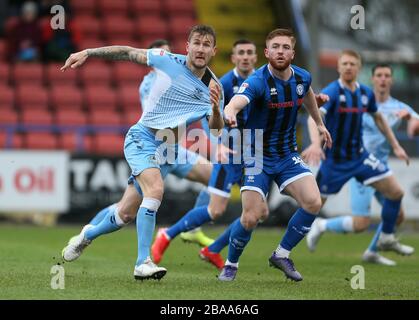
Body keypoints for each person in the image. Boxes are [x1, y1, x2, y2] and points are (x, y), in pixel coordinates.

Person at [60, 25, 224, 281]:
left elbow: (215, 131)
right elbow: (127, 52)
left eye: (206, 44)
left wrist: (215, 109)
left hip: (171, 150)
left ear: (214, 50)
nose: (201, 49)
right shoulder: (166, 60)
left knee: (125, 214)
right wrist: (89, 52)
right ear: (187, 46)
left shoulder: (214, 88)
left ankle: (87, 234)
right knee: (155, 191)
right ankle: (142, 262)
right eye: (197, 43)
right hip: (143, 139)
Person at [218, 28, 332, 282]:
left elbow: (307, 95)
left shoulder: (303, 77)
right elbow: (237, 101)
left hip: (286, 154)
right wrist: (230, 112)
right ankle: (231, 264)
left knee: (313, 202)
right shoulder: (257, 81)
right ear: (267, 52)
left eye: (286, 47)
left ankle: (281, 254)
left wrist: (319, 123)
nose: (281, 51)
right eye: (275, 47)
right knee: (251, 216)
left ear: (293, 52)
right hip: (256, 154)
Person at [151, 39, 258, 269]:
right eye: (241, 53)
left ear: (257, 57)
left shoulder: (263, 81)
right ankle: (168, 234)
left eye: (250, 52)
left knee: (257, 212)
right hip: (228, 154)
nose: (246, 57)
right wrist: (217, 143)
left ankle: (213, 248)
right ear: (233, 58)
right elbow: (206, 114)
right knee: (216, 210)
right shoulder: (224, 83)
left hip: (254, 155)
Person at [303, 51, 411, 262]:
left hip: (362, 159)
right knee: (314, 206)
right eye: (345, 63)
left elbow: (380, 118)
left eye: (353, 63)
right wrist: (316, 144)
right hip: (335, 162)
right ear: (339, 67)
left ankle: (382, 242)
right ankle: (300, 238)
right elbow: (312, 117)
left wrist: (396, 145)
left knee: (396, 197)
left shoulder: (366, 94)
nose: (349, 67)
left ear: (359, 68)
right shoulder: (332, 92)